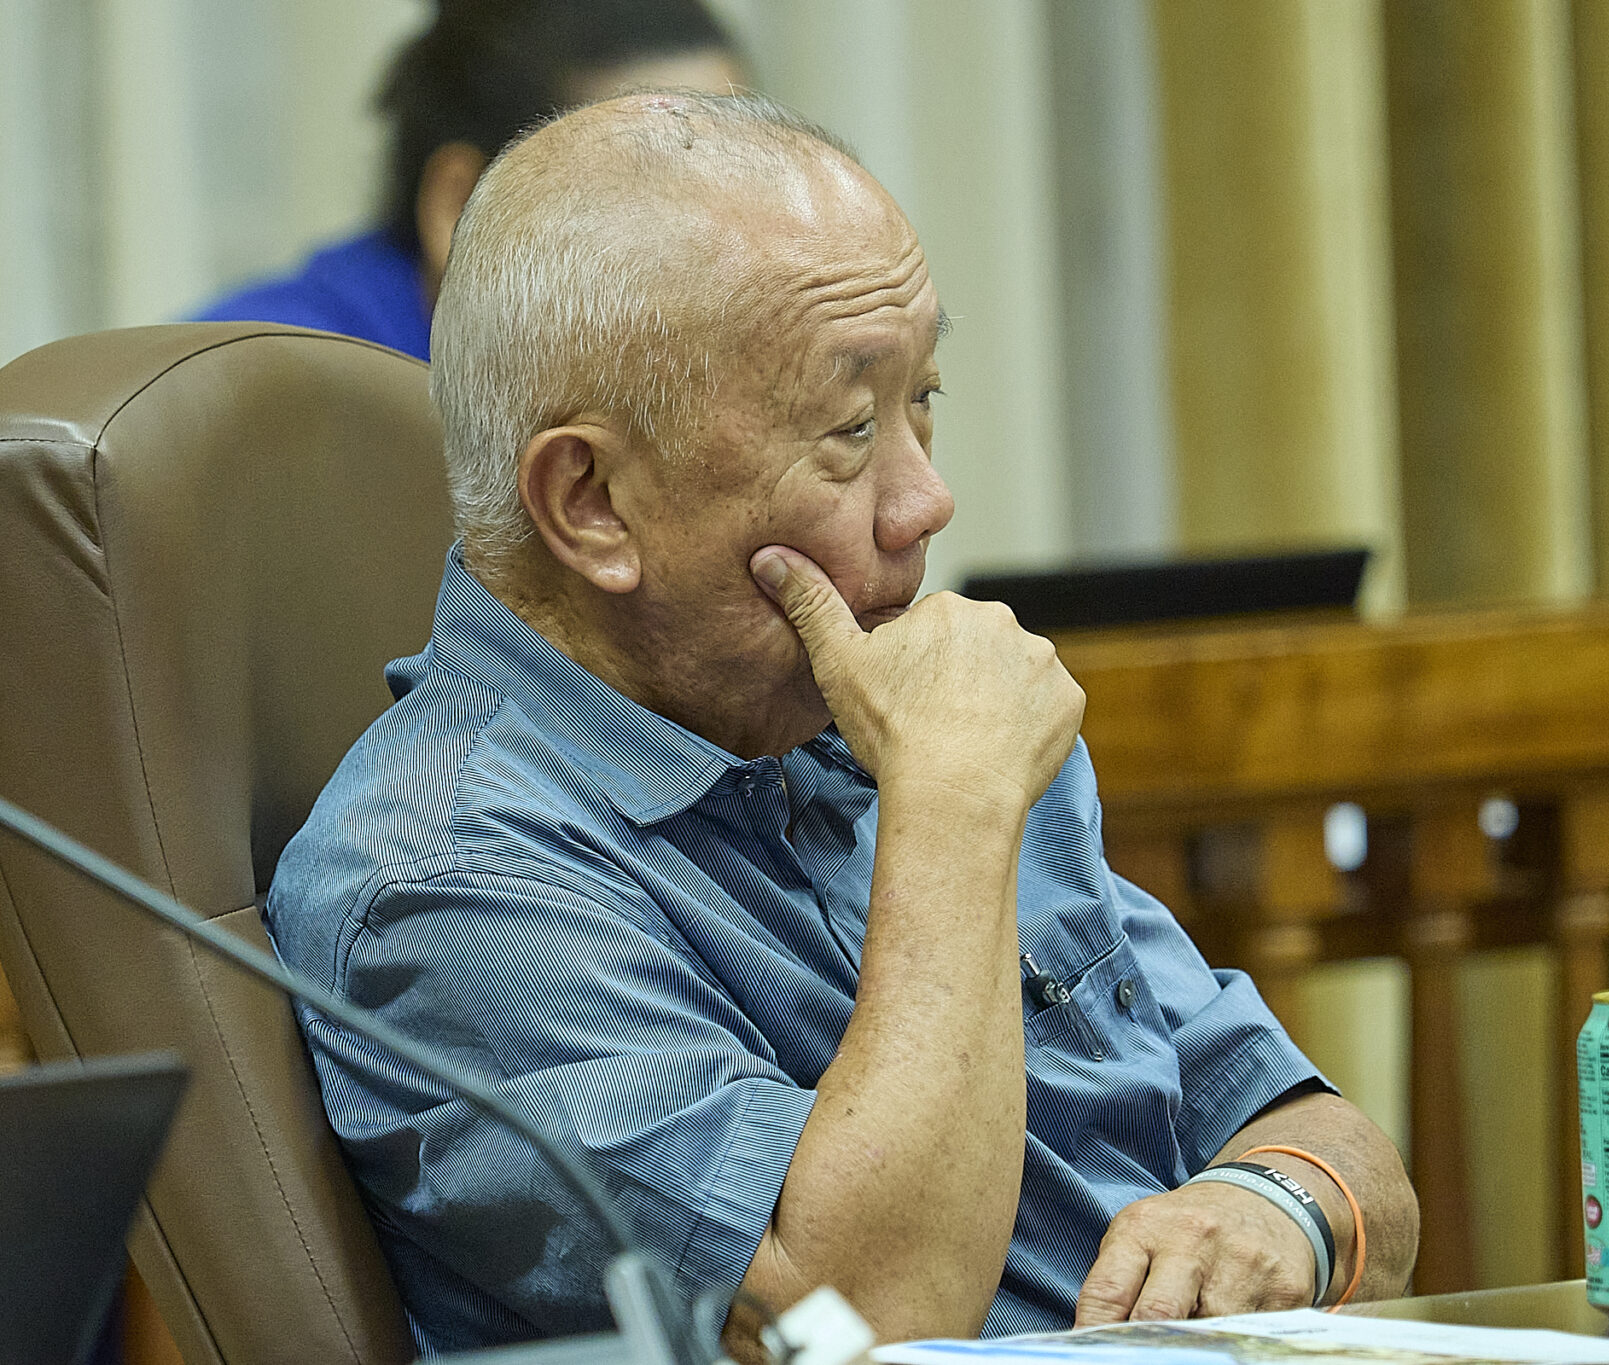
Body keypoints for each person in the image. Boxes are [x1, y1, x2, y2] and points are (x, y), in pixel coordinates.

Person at [265, 89, 1419, 1357]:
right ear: (590, 502)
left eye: (923, 398)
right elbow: (857, 1330)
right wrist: (951, 810)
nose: (926, 501)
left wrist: (1271, 1209)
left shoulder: (889, 719)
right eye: (850, 430)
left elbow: (1334, 1149)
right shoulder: (448, 883)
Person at [189, 0, 744, 359]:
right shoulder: (265, 393)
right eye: (655, 199)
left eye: (743, 172)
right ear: (462, 210)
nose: (728, 244)